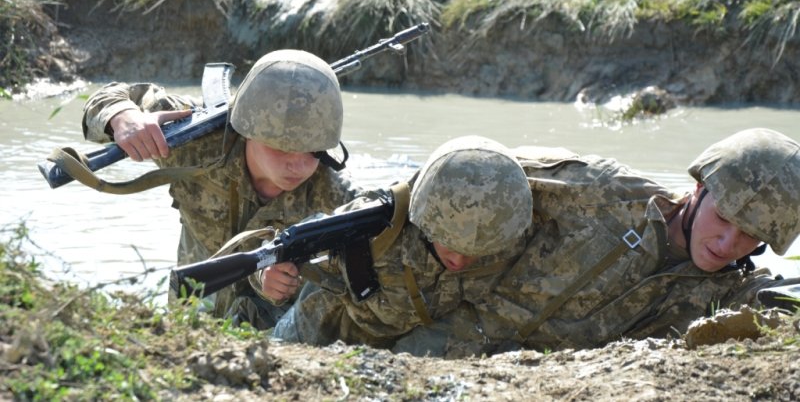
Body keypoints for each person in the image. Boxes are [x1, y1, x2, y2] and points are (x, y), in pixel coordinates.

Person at [391, 127, 800, 358]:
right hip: (440, 341)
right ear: (698, 187)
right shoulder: (603, 190)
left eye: (752, 234)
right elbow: (464, 173)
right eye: (725, 217)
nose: (730, 243)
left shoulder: (731, 293)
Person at [82, 49, 360, 318]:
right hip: (193, 308)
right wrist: (121, 118)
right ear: (248, 130)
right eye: (284, 149)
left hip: (275, 331)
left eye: (313, 152)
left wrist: (283, 280)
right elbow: (108, 95)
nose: (298, 165)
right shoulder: (193, 142)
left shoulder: (334, 193)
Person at [265, 135, 534, 349]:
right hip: (319, 329)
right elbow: (289, 247)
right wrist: (269, 277)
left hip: (401, 345)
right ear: (425, 224)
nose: (460, 261)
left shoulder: (503, 228)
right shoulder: (374, 225)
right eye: (449, 245)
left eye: (475, 253)